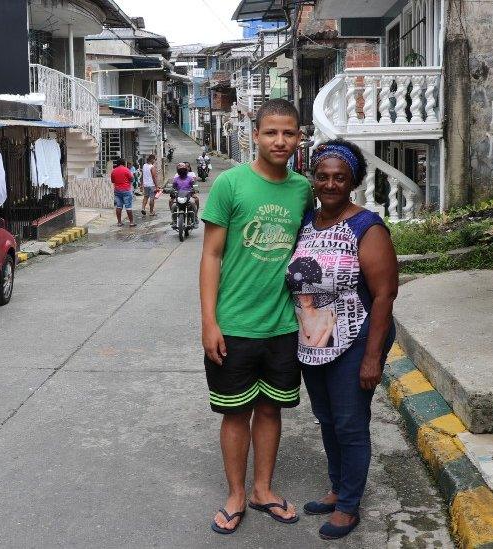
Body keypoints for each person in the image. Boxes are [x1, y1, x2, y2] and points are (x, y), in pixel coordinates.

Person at [200, 98, 313, 535]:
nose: (280, 141)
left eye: (288, 133)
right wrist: (210, 321)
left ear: (299, 137)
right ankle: (235, 494)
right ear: (255, 135)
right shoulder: (230, 184)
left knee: (270, 410)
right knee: (235, 413)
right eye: (271, 132)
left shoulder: (302, 189)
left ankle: (263, 489)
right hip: (235, 324)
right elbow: (211, 256)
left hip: (284, 325)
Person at [285, 140, 399, 540]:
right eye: (323, 176)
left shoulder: (366, 226)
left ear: (352, 182)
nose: (330, 184)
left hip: (356, 339)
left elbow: (384, 295)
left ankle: (349, 505)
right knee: (328, 420)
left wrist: (373, 358)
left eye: (340, 178)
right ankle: (337, 489)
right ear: (313, 179)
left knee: (350, 424)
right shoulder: (307, 224)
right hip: (314, 340)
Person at [110, 158, 135, 227]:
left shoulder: (114, 171)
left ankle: (119, 222)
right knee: (128, 207)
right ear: (124, 163)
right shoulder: (126, 170)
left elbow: (113, 181)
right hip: (126, 190)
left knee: (119, 206)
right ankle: (131, 222)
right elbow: (132, 179)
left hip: (117, 191)